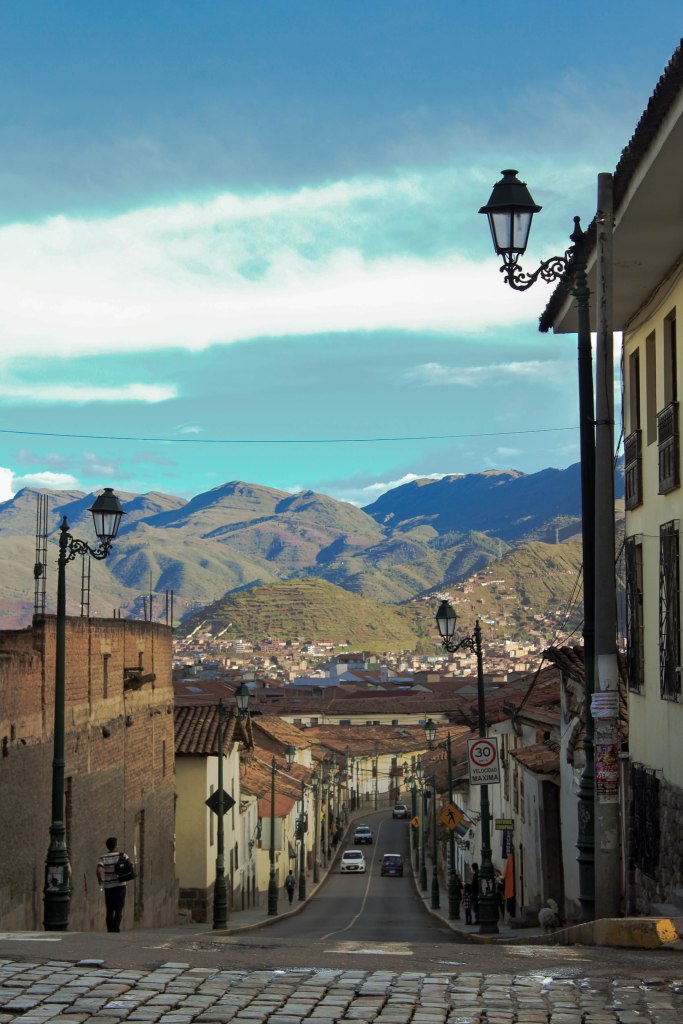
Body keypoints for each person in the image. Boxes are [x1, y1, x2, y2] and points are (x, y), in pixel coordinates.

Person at [96, 837, 131, 933]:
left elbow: (99, 870)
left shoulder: (103, 857)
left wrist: (100, 880)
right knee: (119, 909)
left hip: (108, 888)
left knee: (110, 910)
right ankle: (116, 929)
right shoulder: (123, 855)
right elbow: (130, 866)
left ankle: (110, 930)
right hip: (120, 886)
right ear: (116, 845)